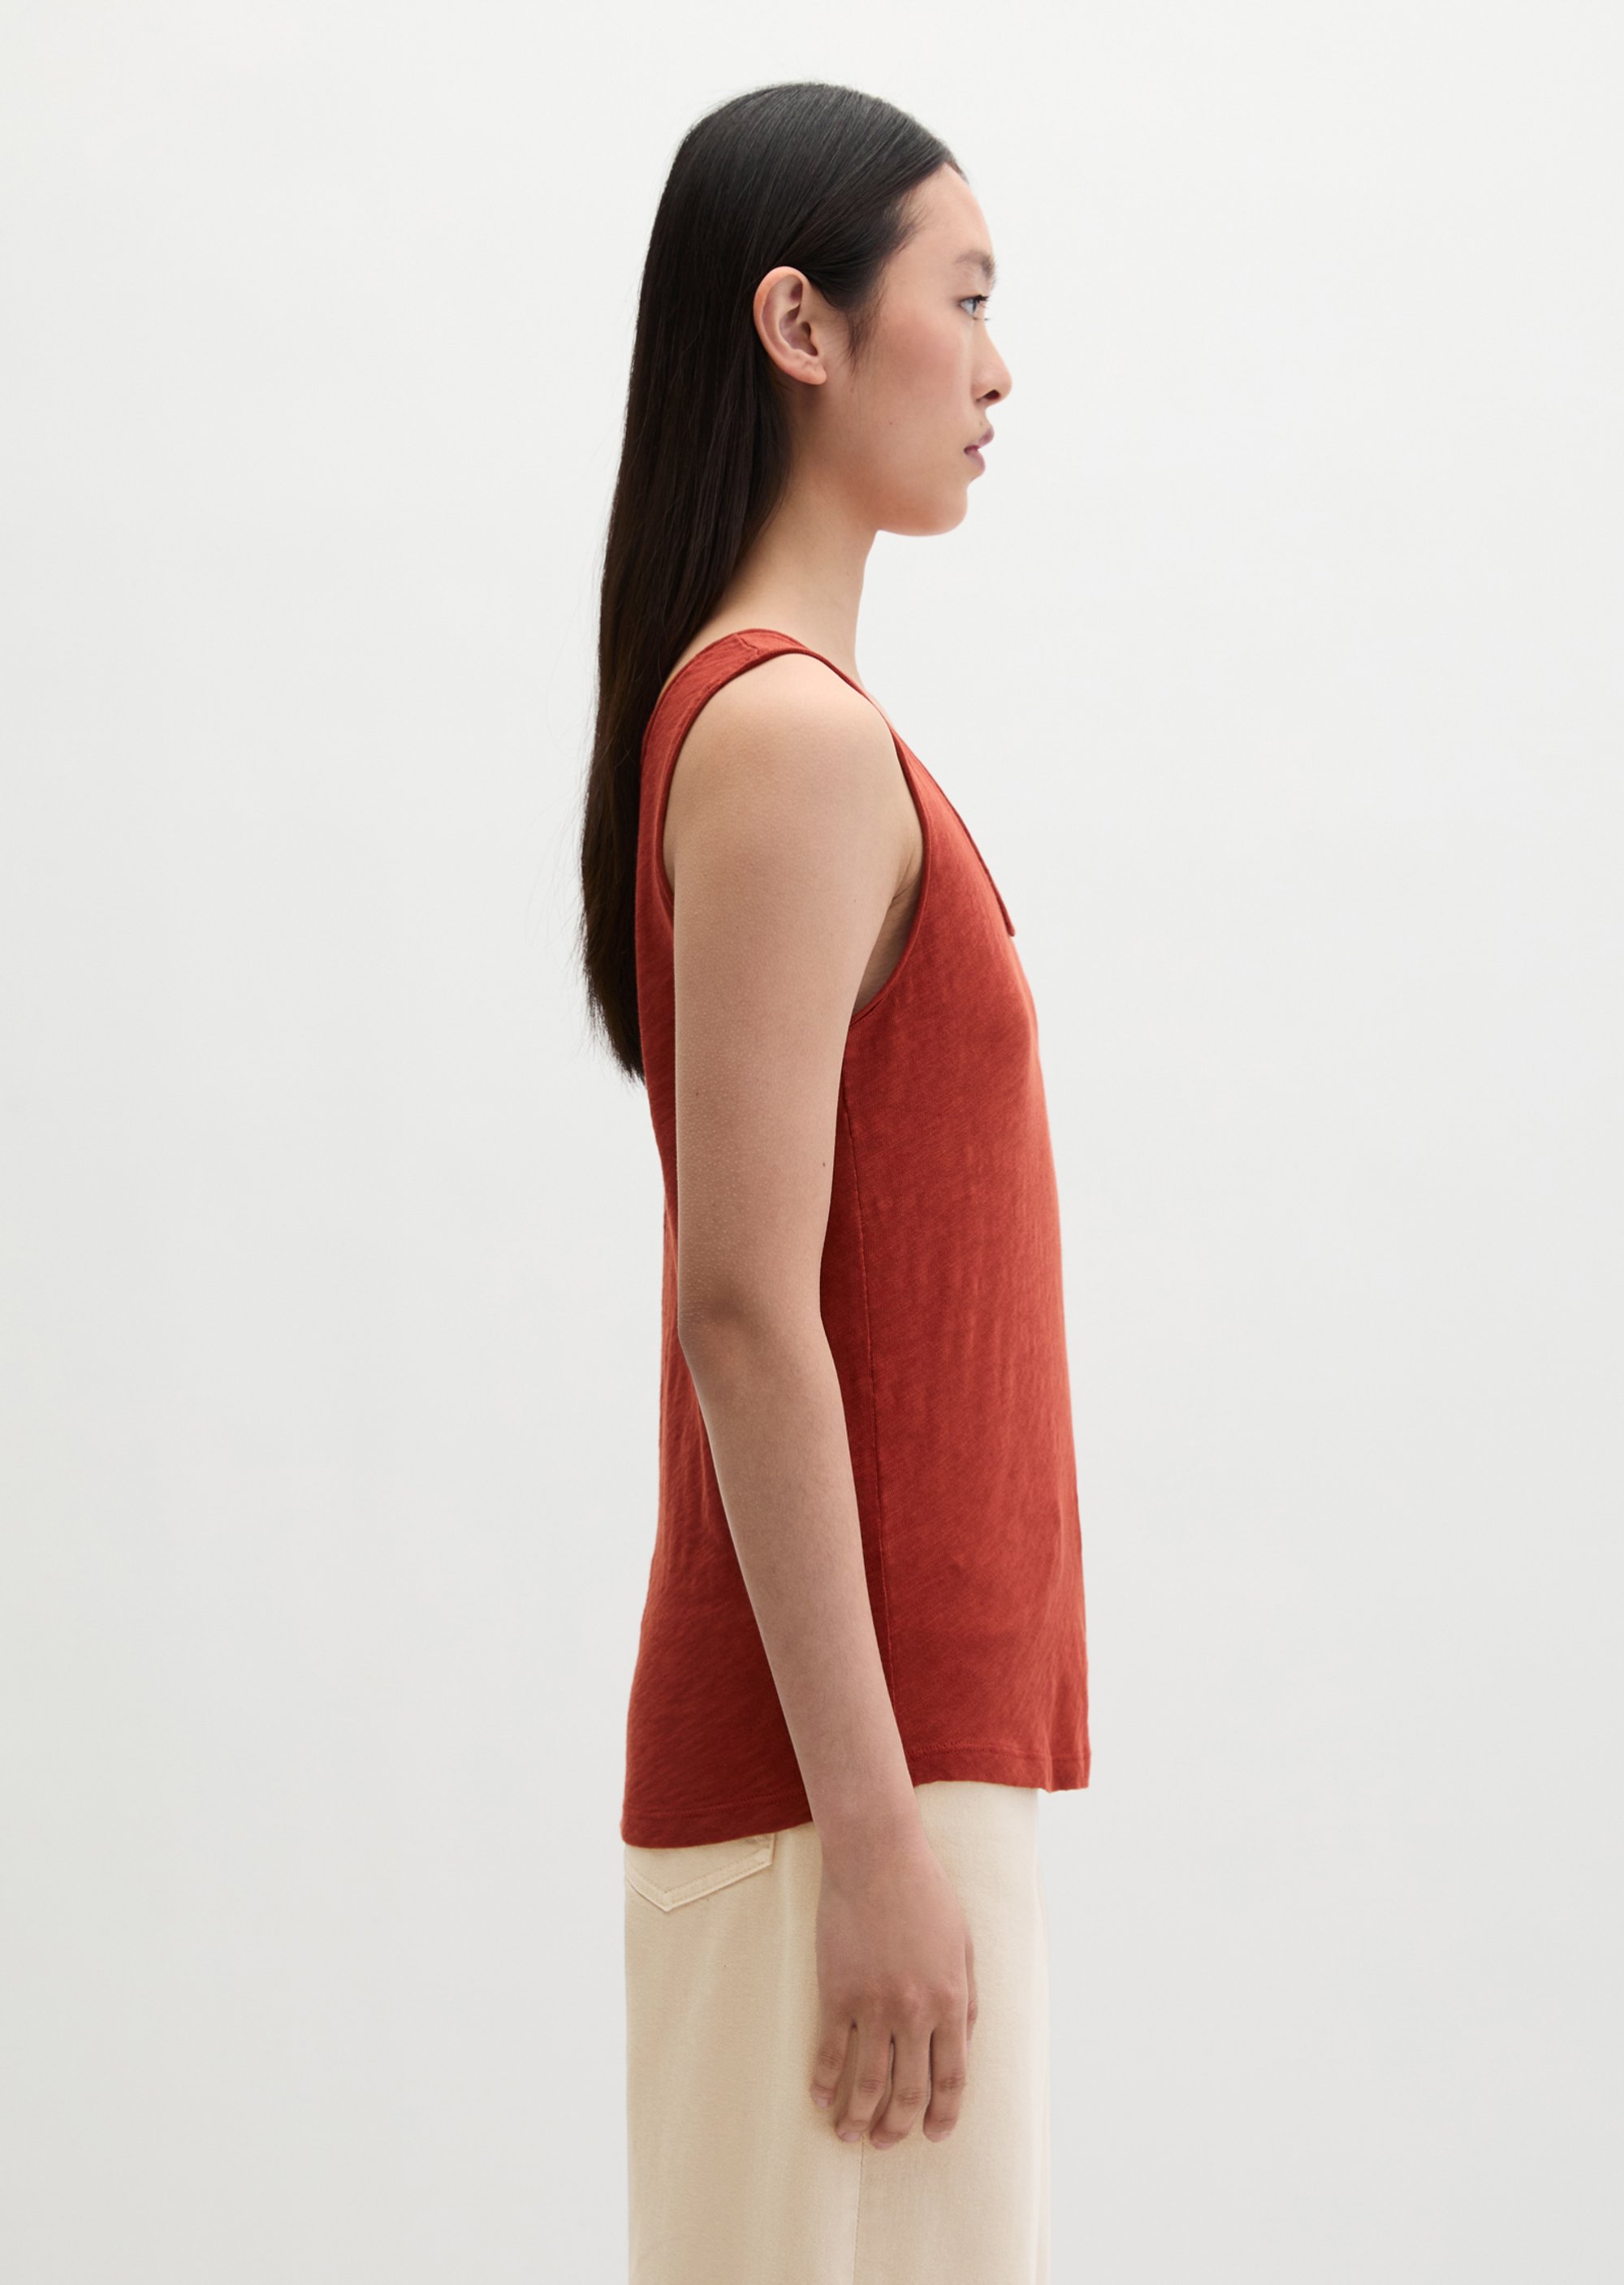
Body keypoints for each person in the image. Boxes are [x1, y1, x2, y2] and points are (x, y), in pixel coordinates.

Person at [577, 80, 1091, 2285]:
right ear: (800, 324)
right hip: (840, 1782)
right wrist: (876, 1836)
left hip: (876, 1761)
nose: (998, 367)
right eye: (960, 301)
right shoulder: (787, 738)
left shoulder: (790, 729)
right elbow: (744, 1305)